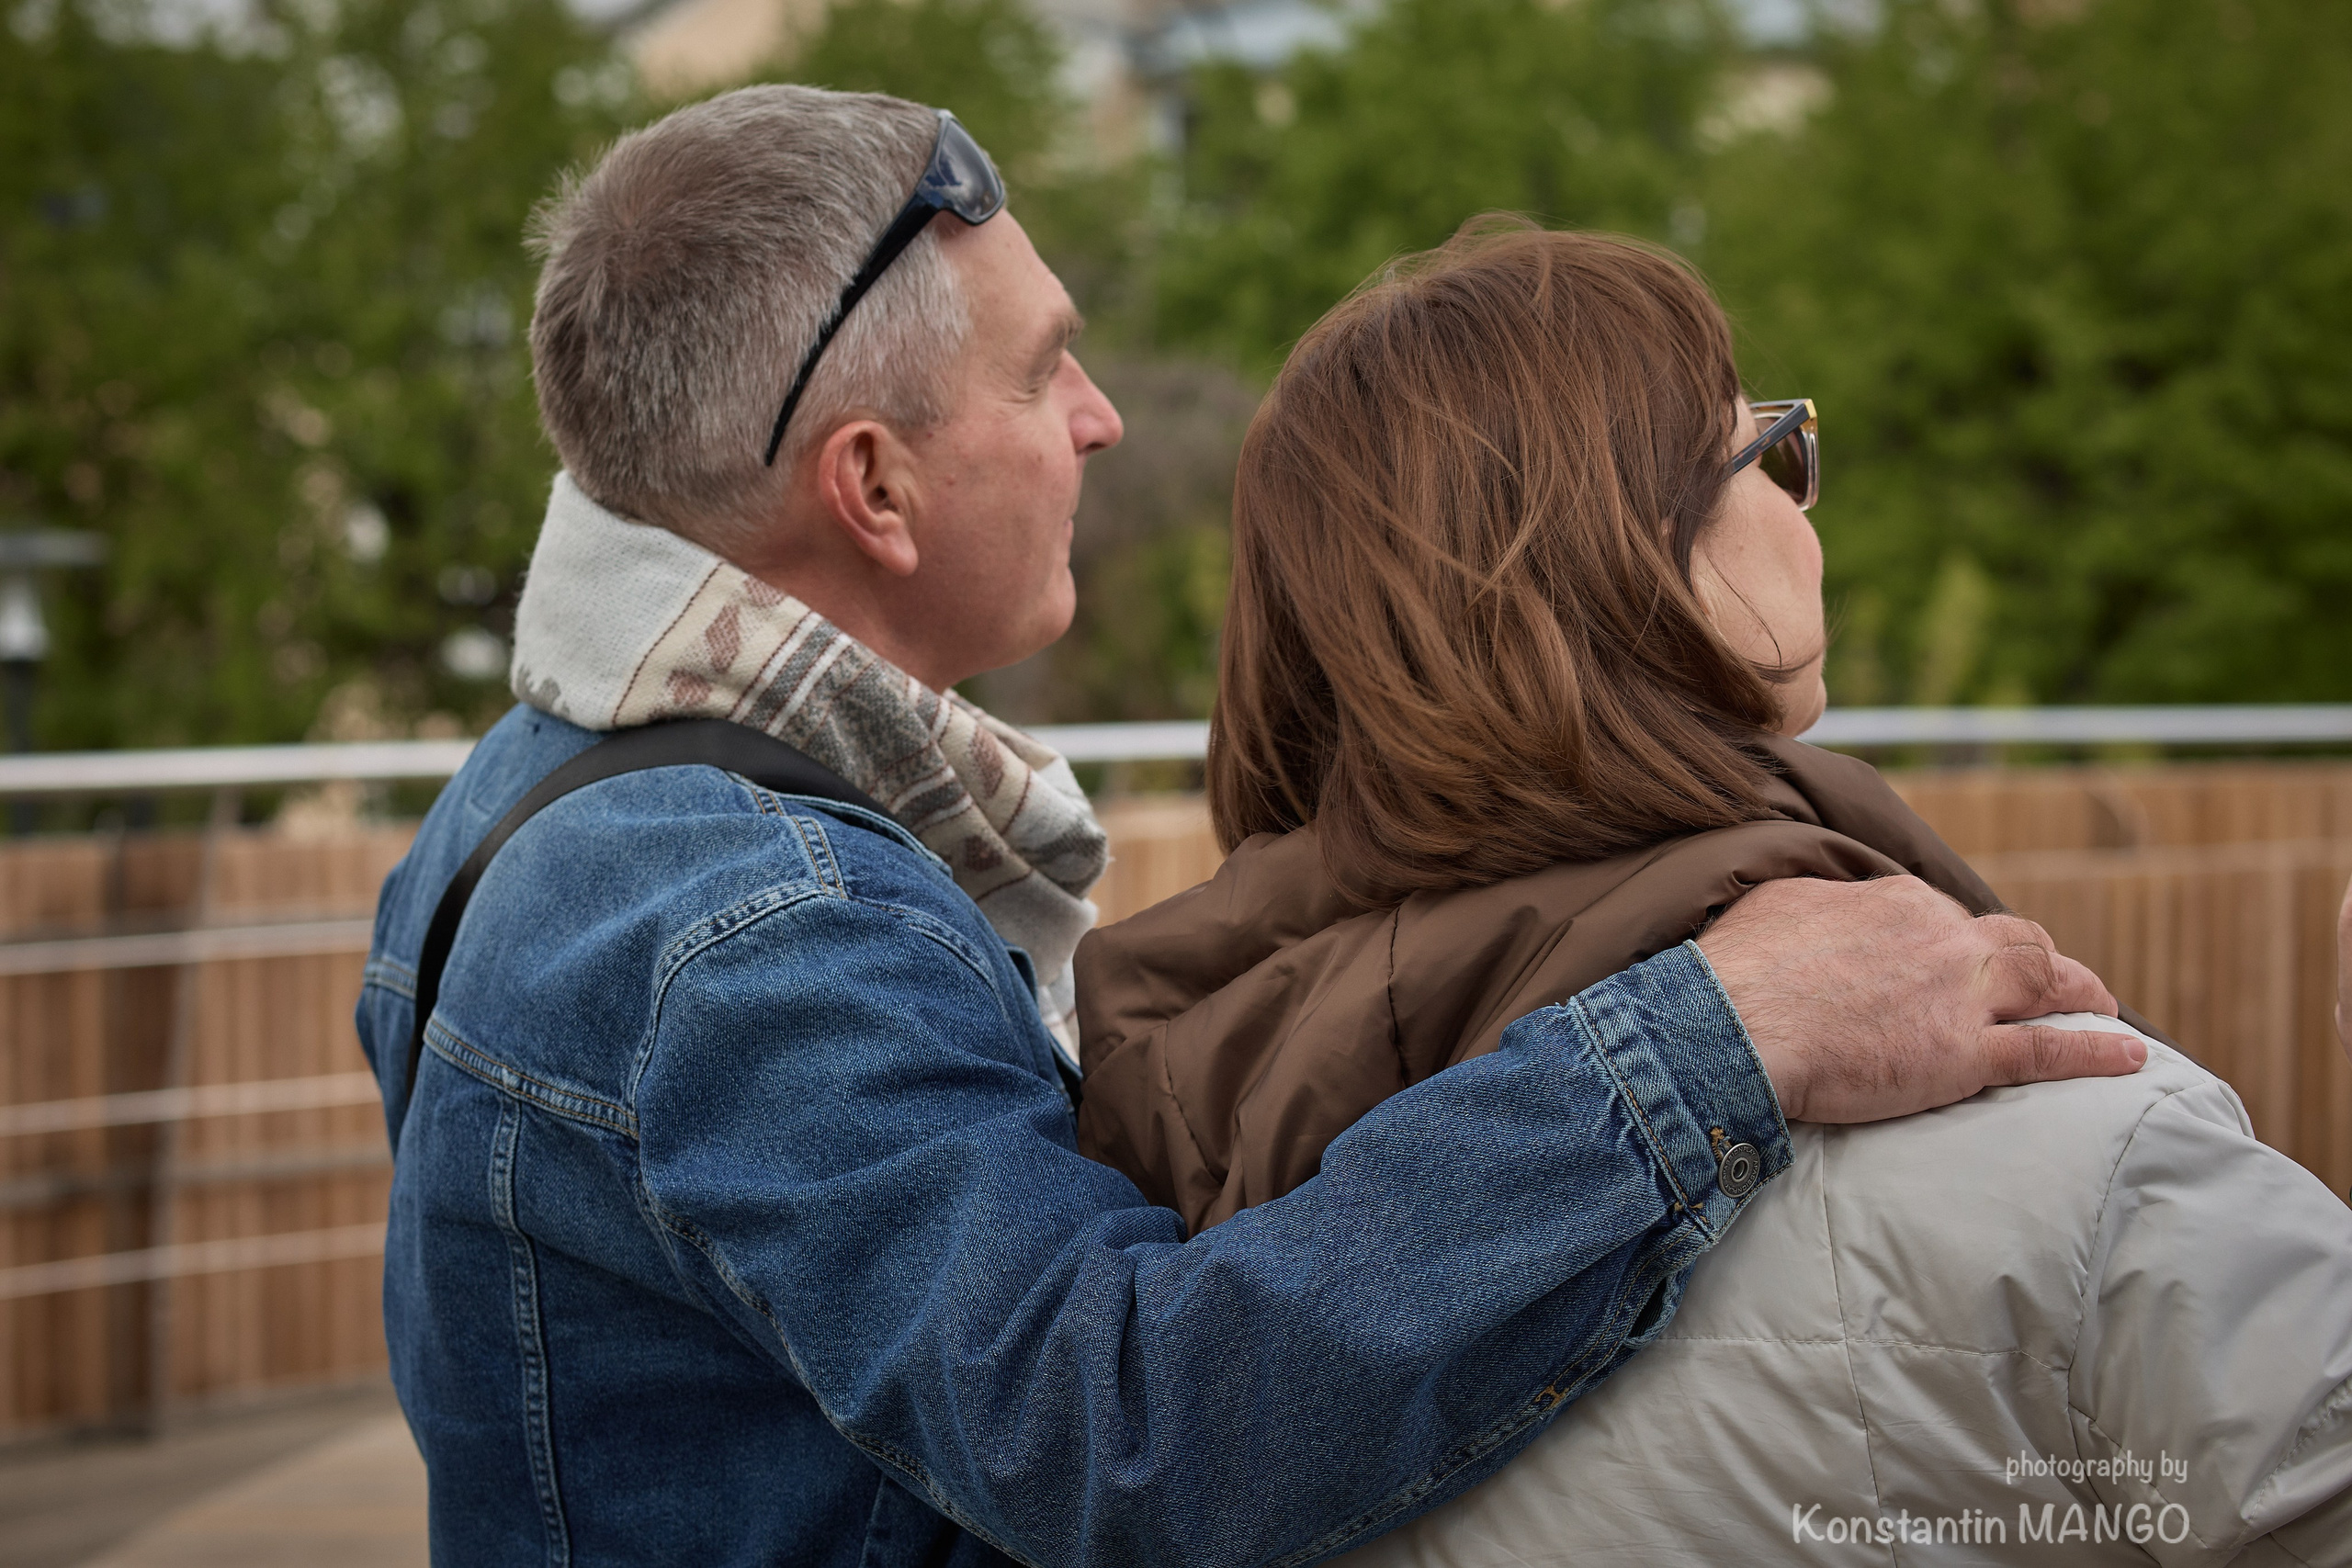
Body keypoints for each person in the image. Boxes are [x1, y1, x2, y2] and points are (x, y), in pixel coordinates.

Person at [356, 89, 2143, 1566]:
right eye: (1043, 371)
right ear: (875, 487)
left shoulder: (533, 791)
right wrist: (1715, 1039)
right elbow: (1123, 1432)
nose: (1102, 417)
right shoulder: (755, 922)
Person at [1074, 220, 2352, 1564]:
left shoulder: (1177, 1189)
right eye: (1769, 454)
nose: (1804, 508)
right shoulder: (2089, 1166)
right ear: (1627, 560)